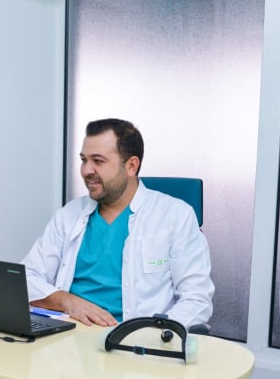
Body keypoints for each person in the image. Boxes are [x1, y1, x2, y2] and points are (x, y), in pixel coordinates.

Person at [23, 118, 214, 328]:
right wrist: (67, 301)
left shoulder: (176, 216)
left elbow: (197, 300)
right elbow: (26, 278)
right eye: (84, 160)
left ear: (131, 166)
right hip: (69, 335)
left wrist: (153, 335)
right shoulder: (69, 214)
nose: (86, 170)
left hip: (138, 340)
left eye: (98, 161)